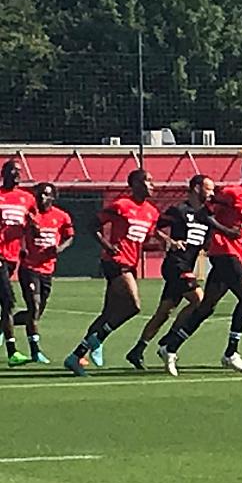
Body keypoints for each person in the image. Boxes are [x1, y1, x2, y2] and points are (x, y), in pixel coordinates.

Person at [157, 159, 242, 377]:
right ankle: (231, 353)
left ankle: (170, 347)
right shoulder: (231, 193)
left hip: (236, 253)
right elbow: (202, 214)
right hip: (223, 253)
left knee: (206, 307)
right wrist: (224, 231)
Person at [64, 170, 167, 376]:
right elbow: (92, 225)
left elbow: (142, 241)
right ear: (136, 183)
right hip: (115, 262)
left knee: (108, 313)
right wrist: (107, 245)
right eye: (148, 181)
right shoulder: (121, 206)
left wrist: (165, 244)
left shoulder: (151, 212)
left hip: (130, 264)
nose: (152, 185)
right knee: (133, 306)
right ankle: (97, 339)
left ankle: (76, 356)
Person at [124, 174, 225, 370]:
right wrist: (168, 241)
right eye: (209, 189)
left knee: (164, 312)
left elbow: (205, 238)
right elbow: (153, 226)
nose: (212, 193)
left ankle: (137, 350)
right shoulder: (179, 210)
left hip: (187, 265)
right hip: (175, 265)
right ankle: (169, 342)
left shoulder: (207, 214)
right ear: (197, 188)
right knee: (200, 300)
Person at [15, 182, 74, 364]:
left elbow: (70, 236)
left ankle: (5, 323)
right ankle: (35, 350)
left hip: (47, 270)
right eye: (39, 194)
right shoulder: (29, 215)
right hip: (29, 268)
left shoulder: (61, 216)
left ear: (53, 197)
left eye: (46, 194)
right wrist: (23, 247)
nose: (42, 198)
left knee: (37, 313)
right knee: (34, 305)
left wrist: (60, 248)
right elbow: (16, 234)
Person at [0, 160, 38, 367]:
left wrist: (34, 228)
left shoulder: (27, 199)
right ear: (3, 173)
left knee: (5, 303)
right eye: (12, 170)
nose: (17, 174)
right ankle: (12, 351)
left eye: (19, 171)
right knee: (8, 301)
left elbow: (34, 226)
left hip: (13, 257)